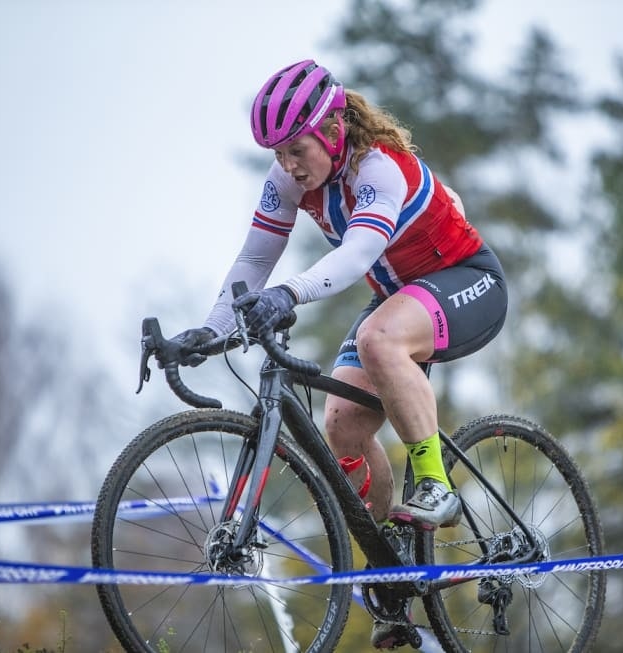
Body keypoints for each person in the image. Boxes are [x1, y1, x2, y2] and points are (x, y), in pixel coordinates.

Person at [177, 59, 508, 648]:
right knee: (342, 427)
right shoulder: (288, 182)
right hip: (398, 299)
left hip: (465, 281)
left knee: (381, 339)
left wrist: (290, 294)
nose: (286, 165)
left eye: (296, 149)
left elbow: (356, 256)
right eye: (276, 153)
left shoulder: (378, 167)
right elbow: (254, 262)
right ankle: (392, 564)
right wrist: (209, 333)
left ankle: (436, 485)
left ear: (332, 131)